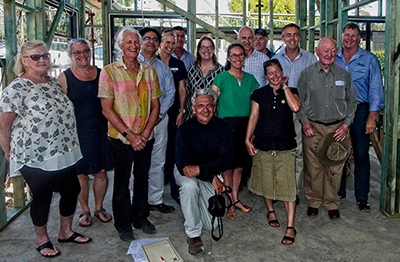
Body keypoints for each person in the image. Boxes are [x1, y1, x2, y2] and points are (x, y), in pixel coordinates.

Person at [0, 40, 91, 258]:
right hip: (35, 155)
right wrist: (8, 151)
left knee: (71, 190)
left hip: (64, 150)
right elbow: (4, 124)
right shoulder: (16, 89)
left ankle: (65, 231)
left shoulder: (52, 82)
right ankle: (42, 239)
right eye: (35, 57)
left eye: (45, 55)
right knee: (42, 196)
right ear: (24, 61)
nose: (42, 60)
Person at [98, 27, 162, 242]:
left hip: (145, 137)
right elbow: (107, 109)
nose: (134, 46)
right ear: (120, 45)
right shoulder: (109, 71)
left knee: (142, 178)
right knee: (122, 182)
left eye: (136, 42)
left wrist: (144, 133)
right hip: (121, 138)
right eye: (129, 42)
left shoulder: (149, 71)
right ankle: (123, 224)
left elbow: (156, 105)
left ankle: (140, 217)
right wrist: (130, 135)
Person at [297, 37, 357, 219]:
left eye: (332, 51)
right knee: (313, 168)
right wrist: (305, 122)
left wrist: (346, 125)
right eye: (325, 51)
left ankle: (332, 202)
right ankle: (314, 201)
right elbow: (299, 101)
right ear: (317, 51)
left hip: (337, 129)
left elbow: (352, 101)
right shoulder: (307, 74)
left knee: (334, 167)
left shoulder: (343, 74)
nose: (329, 54)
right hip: (313, 128)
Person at [57, 38, 113, 227]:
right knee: (80, 174)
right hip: (77, 132)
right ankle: (85, 210)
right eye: (77, 52)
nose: (82, 55)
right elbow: (59, 110)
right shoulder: (64, 78)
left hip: (100, 130)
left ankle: (99, 207)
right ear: (70, 55)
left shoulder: (102, 73)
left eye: (85, 51)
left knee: (101, 171)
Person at [246, 59, 301, 245]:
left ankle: (291, 226)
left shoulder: (292, 91)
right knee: (267, 182)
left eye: (277, 71)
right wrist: (247, 138)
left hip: (286, 146)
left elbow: (295, 107)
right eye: (271, 73)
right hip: (263, 144)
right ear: (265, 76)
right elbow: (254, 117)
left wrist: (284, 86)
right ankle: (270, 210)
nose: (275, 75)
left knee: (288, 187)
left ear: (282, 71)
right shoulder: (258, 94)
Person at [175, 88, 233, 255]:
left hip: (207, 173)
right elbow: (183, 165)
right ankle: (193, 235)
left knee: (211, 224)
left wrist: (205, 172)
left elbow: (226, 160)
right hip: (187, 174)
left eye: (209, 105)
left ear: (215, 108)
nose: (205, 110)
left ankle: (192, 206)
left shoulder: (224, 127)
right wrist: (211, 175)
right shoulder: (184, 129)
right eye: (200, 106)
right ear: (193, 109)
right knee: (190, 187)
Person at [335, 22, 384, 211]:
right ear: (341, 37)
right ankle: (337, 193)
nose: (349, 38)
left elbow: (375, 90)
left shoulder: (369, 60)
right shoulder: (334, 58)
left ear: (359, 38)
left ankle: (362, 197)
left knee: (361, 154)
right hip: (338, 110)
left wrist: (372, 117)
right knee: (337, 153)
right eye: (346, 35)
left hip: (361, 111)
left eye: (353, 35)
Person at [212, 43, 259, 219]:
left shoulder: (251, 79)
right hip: (226, 127)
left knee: (239, 166)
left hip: (245, 127)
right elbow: (211, 100)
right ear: (229, 58)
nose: (238, 58)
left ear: (244, 57)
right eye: (234, 55)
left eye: (240, 55)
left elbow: (256, 105)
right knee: (228, 167)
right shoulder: (221, 78)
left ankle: (235, 199)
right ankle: (230, 203)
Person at [275, 23, 317, 205]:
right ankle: (277, 189)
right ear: (283, 38)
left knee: (298, 152)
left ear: (300, 38)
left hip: (301, 109)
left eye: (295, 35)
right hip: (280, 111)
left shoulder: (310, 59)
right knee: (279, 151)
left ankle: (293, 190)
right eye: (288, 35)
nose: (292, 38)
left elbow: (315, 87)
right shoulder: (276, 59)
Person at [138, 27, 175, 214]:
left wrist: (159, 116)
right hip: (135, 122)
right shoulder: (131, 64)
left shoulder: (163, 68)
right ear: (140, 41)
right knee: (136, 164)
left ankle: (155, 199)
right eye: (147, 38)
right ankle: (135, 200)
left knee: (158, 161)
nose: (151, 42)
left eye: (154, 39)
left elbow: (170, 94)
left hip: (160, 120)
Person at [158, 29, 187, 204]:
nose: (170, 46)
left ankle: (176, 190)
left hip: (174, 113)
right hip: (155, 115)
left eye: (172, 42)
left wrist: (181, 111)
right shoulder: (150, 63)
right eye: (166, 42)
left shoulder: (178, 64)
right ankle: (155, 193)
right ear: (160, 44)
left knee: (174, 153)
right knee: (157, 155)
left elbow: (182, 89)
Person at [184, 36, 224, 121]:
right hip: (193, 116)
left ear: (213, 50)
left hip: (214, 117)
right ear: (198, 50)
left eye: (209, 47)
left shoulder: (222, 71)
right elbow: (187, 93)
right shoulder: (191, 70)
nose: (206, 50)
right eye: (203, 47)